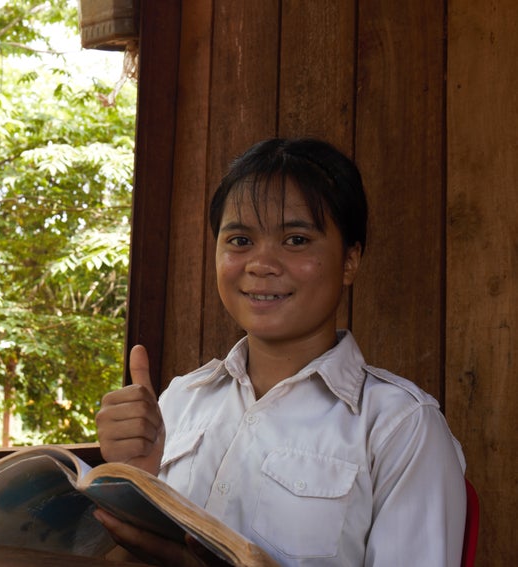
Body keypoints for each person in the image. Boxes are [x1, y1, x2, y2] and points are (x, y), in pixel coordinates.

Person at [94, 138, 467, 567]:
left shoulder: (401, 428)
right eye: (239, 240)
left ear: (350, 260)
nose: (261, 264)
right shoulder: (179, 400)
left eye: (295, 239)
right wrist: (135, 481)